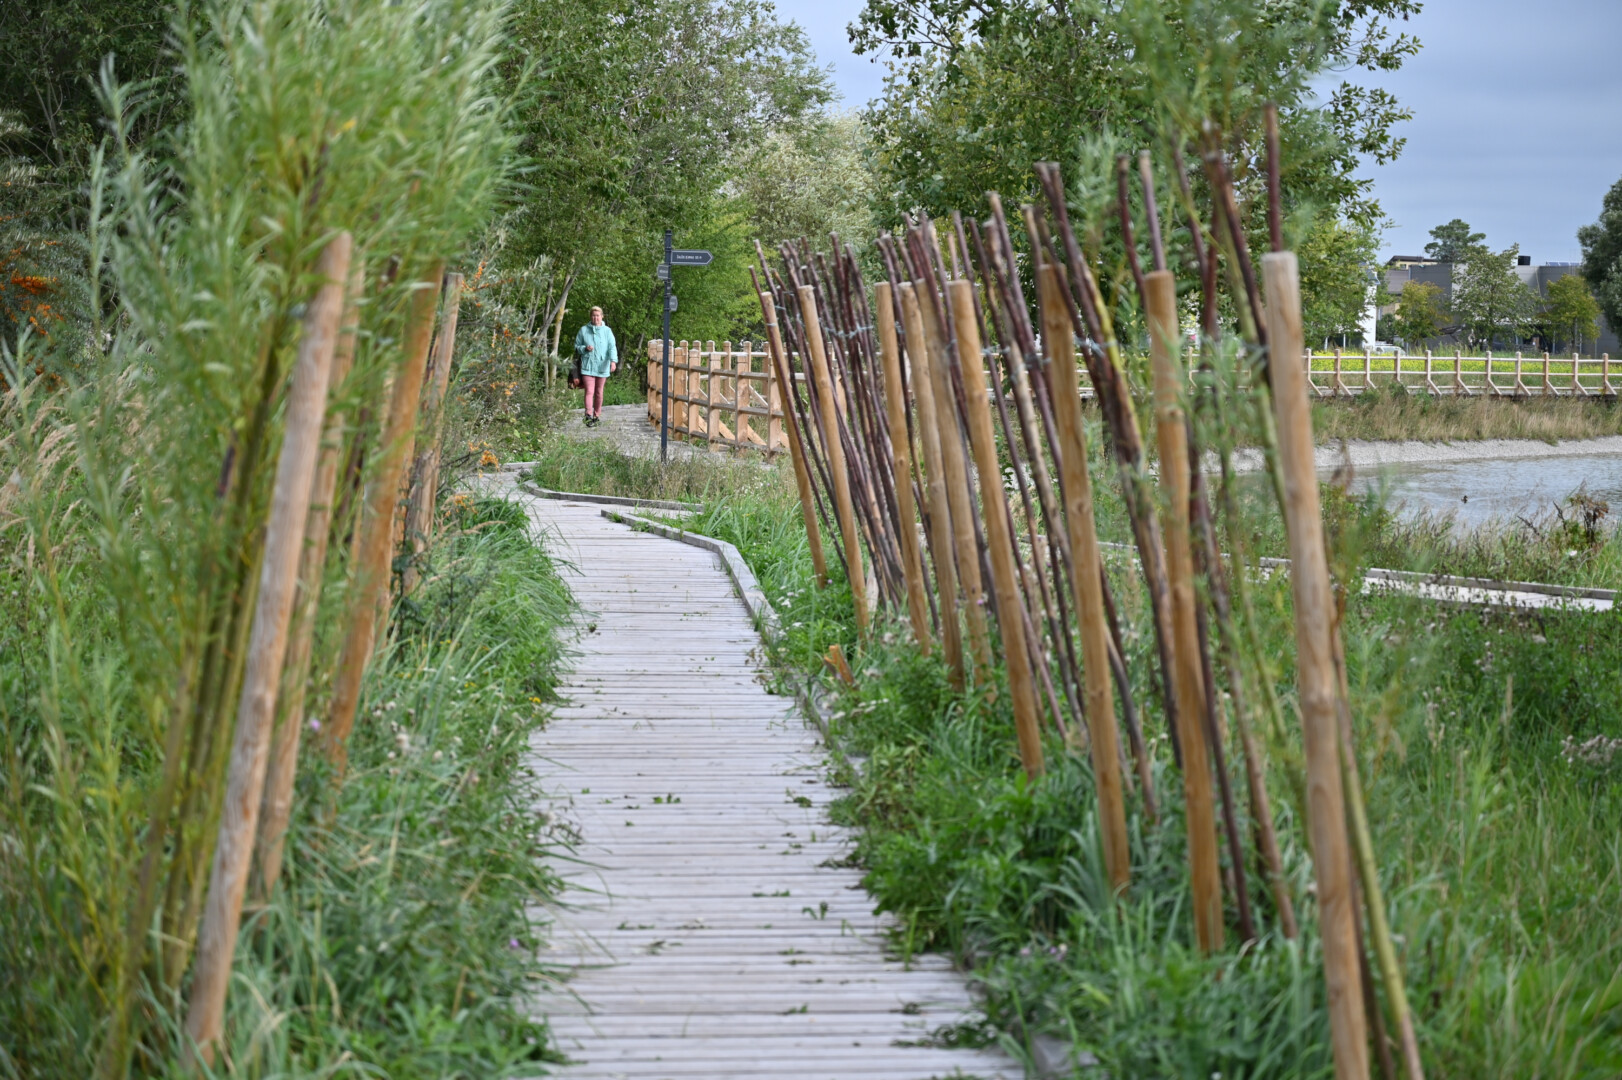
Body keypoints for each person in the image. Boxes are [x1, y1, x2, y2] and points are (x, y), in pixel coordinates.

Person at [573, 306, 618, 427]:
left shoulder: (607, 331)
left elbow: (612, 347)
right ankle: (588, 416)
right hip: (587, 366)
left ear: (602, 316)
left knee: (599, 392)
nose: (595, 318)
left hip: (602, 366)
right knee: (589, 391)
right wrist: (584, 348)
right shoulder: (583, 330)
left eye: (598, 315)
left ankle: (596, 416)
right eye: (593, 315)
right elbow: (576, 346)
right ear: (590, 317)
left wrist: (613, 361)